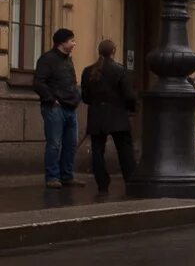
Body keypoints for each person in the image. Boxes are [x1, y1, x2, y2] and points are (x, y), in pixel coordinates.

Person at [81, 40, 137, 195]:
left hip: (97, 115)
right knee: (125, 151)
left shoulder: (88, 71)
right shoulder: (119, 70)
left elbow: (85, 97)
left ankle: (102, 185)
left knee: (97, 151)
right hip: (118, 115)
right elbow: (129, 95)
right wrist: (131, 109)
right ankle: (130, 181)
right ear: (114, 51)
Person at [33, 28, 84, 188]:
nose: (74, 43)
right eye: (72, 40)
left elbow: (72, 81)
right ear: (62, 42)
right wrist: (51, 99)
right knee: (54, 144)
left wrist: (76, 97)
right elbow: (38, 83)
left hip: (70, 107)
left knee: (71, 144)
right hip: (55, 108)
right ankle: (52, 177)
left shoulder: (68, 60)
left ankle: (67, 175)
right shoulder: (47, 59)